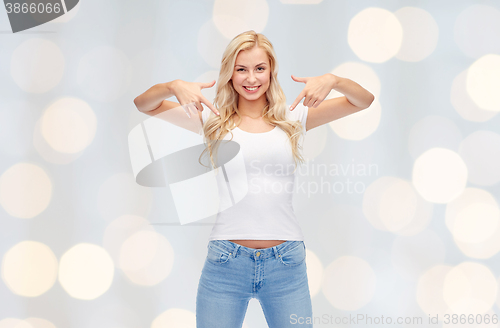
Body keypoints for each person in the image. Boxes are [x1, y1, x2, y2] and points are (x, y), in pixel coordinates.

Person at [134, 30, 374, 328]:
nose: (251, 78)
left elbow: (363, 101)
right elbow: (144, 104)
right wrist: (172, 86)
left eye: (260, 68)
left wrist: (335, 81)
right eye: (241, 69)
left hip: (286, 263)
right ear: (230, 74)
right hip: (226, 263)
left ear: (271, 71)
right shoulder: (213, 121)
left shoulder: (293, 118)